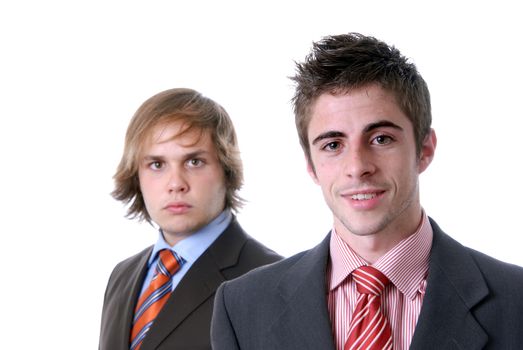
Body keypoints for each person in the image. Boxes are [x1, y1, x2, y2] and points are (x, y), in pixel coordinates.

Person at [211, 33, 523, 349]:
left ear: (425, 149)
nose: (358, 166)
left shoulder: (516, 302)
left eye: (381, 139)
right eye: (333, 145)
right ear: (310, 164)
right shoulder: (241, 309)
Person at [98, 88, 281, 350]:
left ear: (226, 170)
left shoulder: (271, 280)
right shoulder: (122, 276)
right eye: (157, 164)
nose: (176, 184)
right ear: (136, 175)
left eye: (194, 161)